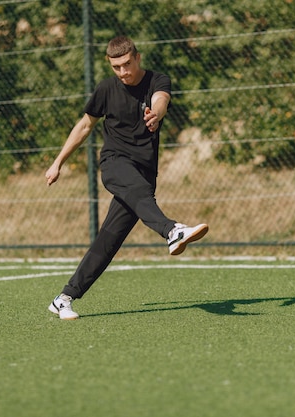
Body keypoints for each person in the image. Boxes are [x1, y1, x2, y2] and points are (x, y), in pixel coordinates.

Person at [45, 36, 209, 320]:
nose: (123, 72)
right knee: (137, 194)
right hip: (115, 164)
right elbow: (85, 125)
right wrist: (58, 162)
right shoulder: (107, 89)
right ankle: (172, 231)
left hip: (143, 173)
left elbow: (161, 101)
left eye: (127, 64)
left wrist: (155, 116)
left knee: (108, 241)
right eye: (116, 67)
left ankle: (64, 297)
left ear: (138, 58)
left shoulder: (157, 80)